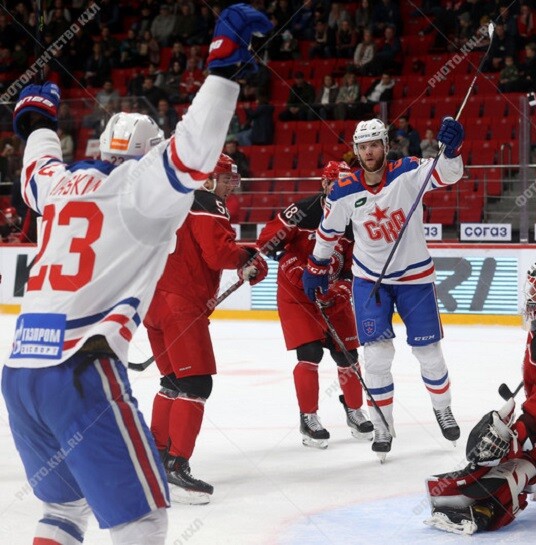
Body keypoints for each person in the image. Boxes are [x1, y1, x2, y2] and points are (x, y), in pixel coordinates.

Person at [1, 5, 273, 544]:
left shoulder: (59, 186)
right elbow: (193, 155)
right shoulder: (140, 191)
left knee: (64, 511)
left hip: (19, 370)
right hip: (80, 370)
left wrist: (38, 122)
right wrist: (221, 73)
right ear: (147, 155)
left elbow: (36, 166)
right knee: (143, 520)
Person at [301, 117, 465, 461]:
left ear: (385, 145)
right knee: (376, 357)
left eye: (374, 144)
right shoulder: (344, 189)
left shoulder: (408, 171)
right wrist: (316, 266)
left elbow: (447, 174)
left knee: (429, 354)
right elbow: (328, 232)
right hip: (370, 281)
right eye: (362, 146)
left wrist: (452, 151)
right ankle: (382, 425)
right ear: (356, 151)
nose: (368, 151)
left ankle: (443, 409)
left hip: (415, 279)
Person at [424, 256, 536, 534]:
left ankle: (489, 505)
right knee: (531, 462)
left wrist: (520, 432)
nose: (533, 300)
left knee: (524, 462)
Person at [144, 154, 268, 504]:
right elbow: (217, 254)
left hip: (153, 302)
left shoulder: (170, 197)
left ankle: (156, 458)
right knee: (197, 383)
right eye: (226, 178)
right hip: (180, 305)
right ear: (209, 179)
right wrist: (248, 258)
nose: (231, 185)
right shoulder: (206, 200)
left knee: (172, 382)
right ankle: (177, 467)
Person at [256, 160, 373, 449]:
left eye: (349, 185)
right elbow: (268, 244)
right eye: (338, 184)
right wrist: (297, 269)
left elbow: (355, 263)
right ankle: (308, 417)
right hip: (297, 295)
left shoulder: (357, 217)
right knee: (309, 353)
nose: (344, 190)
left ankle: (354, 410)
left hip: (331, 292)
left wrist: (343, 288)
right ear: (325, 184)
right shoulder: (304, 211)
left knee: (347, 354)